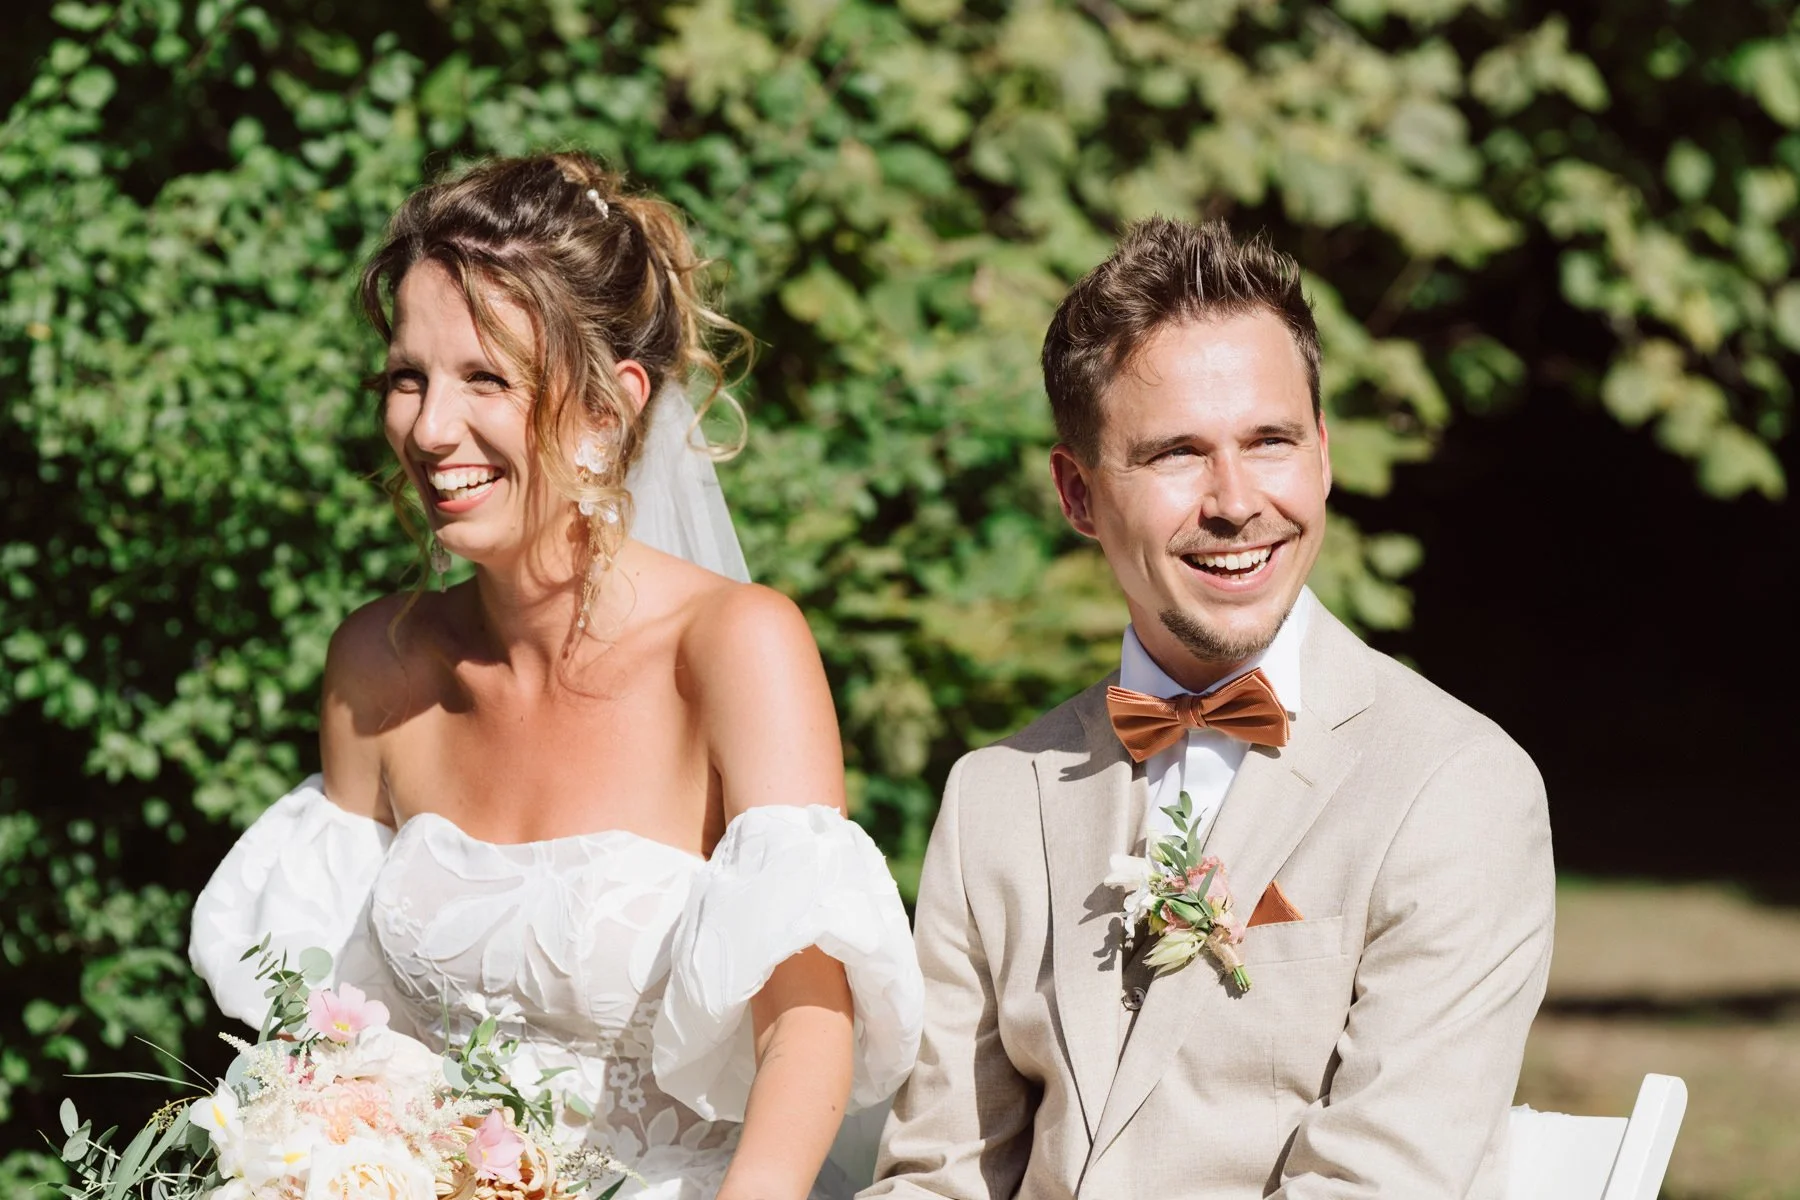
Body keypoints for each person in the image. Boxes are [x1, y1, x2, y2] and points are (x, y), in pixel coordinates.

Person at [188, 152, 922, 1200]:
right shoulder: (377, 665)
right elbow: (327, 1028)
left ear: (605, 410)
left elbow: (808, 1020)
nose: (431, 428)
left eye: (486, 378)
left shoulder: (735, 645)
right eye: (409, 376)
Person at [867, 217, 1554, 1198]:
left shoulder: (1456, 789)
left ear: (1322, 455)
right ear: (1077, 493)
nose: (1235, 500)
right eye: (1175, 455)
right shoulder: (995, 799)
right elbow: (940, 1175)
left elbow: (1372, 1187)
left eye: (1269, 442)